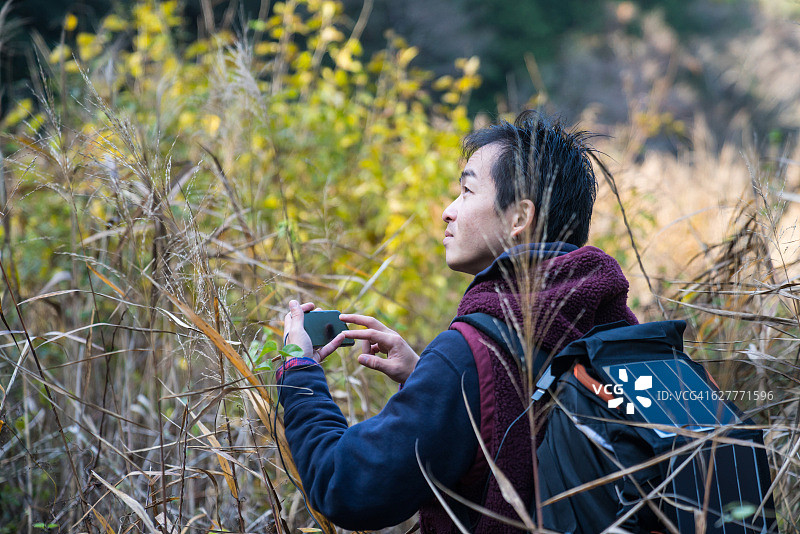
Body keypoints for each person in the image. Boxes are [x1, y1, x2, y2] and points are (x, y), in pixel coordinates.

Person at [277, 110, 639, 533]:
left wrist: (297, 371)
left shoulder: (473, 353)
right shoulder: (615, 330)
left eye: (466, 191)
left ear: (520, 218)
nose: (448, 212)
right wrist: (426, 376)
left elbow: (348, 488)